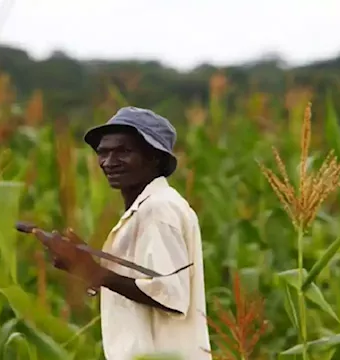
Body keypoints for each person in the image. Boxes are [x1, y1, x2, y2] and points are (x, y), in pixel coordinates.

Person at [31, 106, 212, 360]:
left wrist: (92, 270)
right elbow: (138, 287)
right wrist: (85, 265)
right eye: (103, 152)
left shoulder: (159, 210)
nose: (108, 161)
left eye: (123, 151)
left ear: (155, 158)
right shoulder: (145, 209)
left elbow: (170, 293)